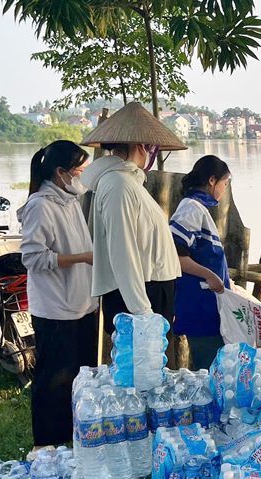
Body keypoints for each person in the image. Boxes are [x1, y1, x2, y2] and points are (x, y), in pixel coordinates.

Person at [79, 101, 186, 334]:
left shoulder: (127, 181)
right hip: (139, 295)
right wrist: (142, 311)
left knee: (152, 366)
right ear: (140, 146)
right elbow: (122, 250)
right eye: (151, 149)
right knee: (138, 367)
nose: (151, 154)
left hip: (151, 289)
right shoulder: (118, 184)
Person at [20, 140, 98, 456]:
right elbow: (34, 257)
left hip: (82, 302)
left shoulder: (70, 201)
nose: (82, 177)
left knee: (81, 377)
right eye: (79, 171)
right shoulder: (40, 205)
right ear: (60, 172)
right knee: (53, 379)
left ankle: (76, 438)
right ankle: (44, 445)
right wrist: (82, 258)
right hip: (54, 307)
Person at [169, 155, 232, 369]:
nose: (224, 190)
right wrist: (210, 275)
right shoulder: (191, 209)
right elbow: (176, 256)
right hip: (200, 309)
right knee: (211, 370)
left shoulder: (200, 208)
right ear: (212, 181)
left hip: (210, 309)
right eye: (225, 183)